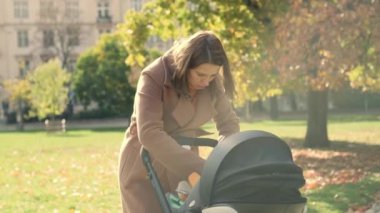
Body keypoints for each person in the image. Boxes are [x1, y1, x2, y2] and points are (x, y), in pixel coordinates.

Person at [118, 31, 240, 213]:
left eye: (213, 75)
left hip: (185, 166)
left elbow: (228, 123)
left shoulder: (211, 82)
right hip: (145, 165)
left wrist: (221, 159)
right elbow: (149, 132)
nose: (206, 81)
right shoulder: (154, 76)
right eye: (200, 74)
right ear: (185, 64)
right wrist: (203, 167)